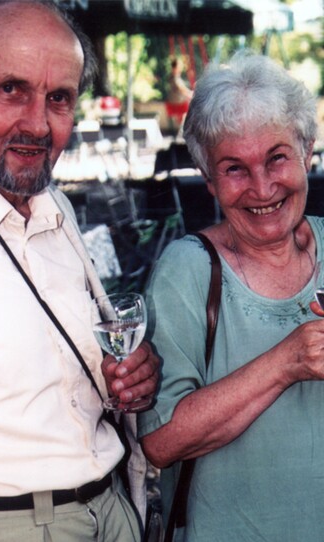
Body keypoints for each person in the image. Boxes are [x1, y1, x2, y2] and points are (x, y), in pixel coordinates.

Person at [0, 2, 159, 540]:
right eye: (12, 89)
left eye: (59, 98)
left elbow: (58, 376)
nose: (37, 123)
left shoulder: (57, 209)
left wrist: (123, 378)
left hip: (110, 508)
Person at [138, 54, 324, 541]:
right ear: (209, 179)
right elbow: (160, 441)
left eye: (277, 157)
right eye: (235, 168)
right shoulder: (188, 270)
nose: (262, 188)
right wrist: (289, 360)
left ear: (308, 151)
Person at [164, 57, 192, 136]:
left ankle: (181, 131)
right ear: (175, 67)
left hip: (176, 102)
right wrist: (190, 94)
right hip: (176, 103)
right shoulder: (174, 78)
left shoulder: (174, 77)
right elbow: (182, 89)